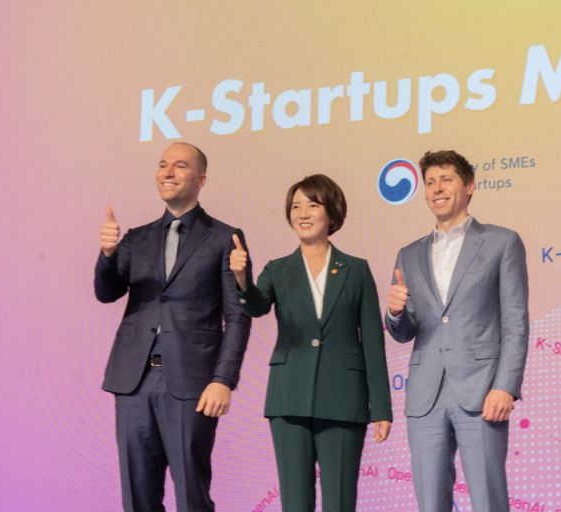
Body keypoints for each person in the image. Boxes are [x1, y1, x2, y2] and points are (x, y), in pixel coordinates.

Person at [94, 142, 251, 512]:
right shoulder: (137, 237)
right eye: (162, 164)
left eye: (179, 166)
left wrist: (223, 379)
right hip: (134, 381)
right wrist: (107, 255)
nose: (167, 172)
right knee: (137, 498)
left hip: (191, 383)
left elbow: (238, 316)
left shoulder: (224, 237)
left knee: (192, 497)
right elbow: (106, 292)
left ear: (201, 180)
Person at [230, 174, 392, 512]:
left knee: (340, 502)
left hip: (344, 400)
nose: (302, 213)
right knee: (295, 502)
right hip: (289, 398)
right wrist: (242, 280)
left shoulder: (356, 270)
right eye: (296, 206)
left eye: (313, 205)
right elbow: (257, 307)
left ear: (331, 213)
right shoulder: (278, 269)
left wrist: (381, 408)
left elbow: (372, 342)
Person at [385, 150, 529, 512]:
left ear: (469, 186)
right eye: (430, 182)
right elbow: (404, 331)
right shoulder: (408, 254)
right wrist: (395, 312)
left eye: (446, 180)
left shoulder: (502, 242)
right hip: (425, 396)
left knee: (488, 500)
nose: (436, 189)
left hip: (482, 391)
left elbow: (515, 322)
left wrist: (505, 386)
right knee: (430, 503)